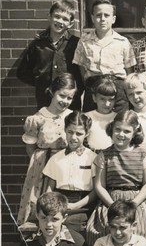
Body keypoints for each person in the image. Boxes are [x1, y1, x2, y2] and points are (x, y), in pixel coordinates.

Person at [87, 110, 146, 245]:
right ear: (112, 129)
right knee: (100, 230)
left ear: (135, 132)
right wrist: (112, 206)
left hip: (136, 200)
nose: (121, 134)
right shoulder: (104, 155)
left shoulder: (143, 154)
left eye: (127, 131)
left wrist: (133, 204)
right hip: (111, 199)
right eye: (117, 129)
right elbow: (99, 185)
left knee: (138, 230)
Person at [18, 73, 75, 228]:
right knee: (39, 202)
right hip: (41, 168)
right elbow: (30, 146)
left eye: (69, 98)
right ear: (52, 92)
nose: (65, 101)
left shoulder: (72, 117)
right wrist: (40, 165)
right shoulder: (37, 118)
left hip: (64, 167)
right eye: (62, 95)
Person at [16, 0, 83, 110]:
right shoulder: (38, 44)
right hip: (45, 101)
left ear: (71, 24)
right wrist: (41, 83)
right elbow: (22, 72)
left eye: (65, 19)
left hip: (69, 103)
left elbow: (82, 75)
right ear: (49, 17)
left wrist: (73, 91)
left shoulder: (76, 44)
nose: (60, 21)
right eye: (57, 16)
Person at [73, 0, 135, 111]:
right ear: (92, 18)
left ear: (113, 19)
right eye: (98, 15)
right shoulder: (84, 41)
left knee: (120, 120)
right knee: (91, 120)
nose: (102, 19)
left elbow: (129, 71)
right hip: (94, 90)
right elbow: (81, 66)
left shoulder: (123, 42)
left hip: (118, 91)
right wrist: (91, 83)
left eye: (106, 15)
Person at [42, 111, 97, 235]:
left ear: (87, 134)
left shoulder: (93, 158)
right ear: (65, 130)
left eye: (79, 133)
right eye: (70, 132)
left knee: (71, 224)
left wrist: (76, 205)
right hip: (59, 203)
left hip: (84, 205)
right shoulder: (56, 158)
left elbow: (96, 190)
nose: (73, 137)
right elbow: (50, 189)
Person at [84, 75, 117, 151]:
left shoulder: (118, 118)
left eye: (111, 99)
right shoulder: (86, 117)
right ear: (94, 98)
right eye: (102, 99)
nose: (107, 104)